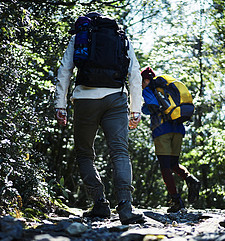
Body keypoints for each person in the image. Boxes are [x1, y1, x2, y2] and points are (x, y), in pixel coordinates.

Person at [54, 12, 144, 225]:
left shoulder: (80, 37)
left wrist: (60, 104)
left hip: (85, 99)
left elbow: (65, 71)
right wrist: (136, 109)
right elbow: (134, 75)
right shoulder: (122, 38)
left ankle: (100, 203)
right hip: (116, 98)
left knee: (85, 153)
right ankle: (125, 206)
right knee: (120, 151)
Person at [141, 67, 201, 213]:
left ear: (146, 80)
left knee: (165, 166)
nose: (141, 85)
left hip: (162, 130)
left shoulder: (149, 89)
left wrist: (143, 108)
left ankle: (176, 201)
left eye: (141, 81)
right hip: (178, 128)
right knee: (174, 163)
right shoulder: (165, 88)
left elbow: (152, 107)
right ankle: (191, 180)